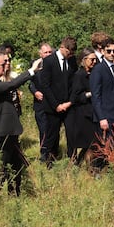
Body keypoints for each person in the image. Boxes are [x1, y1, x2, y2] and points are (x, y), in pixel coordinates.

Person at [0, 49, 41, 195]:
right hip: (1, 134)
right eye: (3, 64)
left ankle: (15, 194)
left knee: (16, 166)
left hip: (9, 131)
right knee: (0, 168)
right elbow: (12, 85)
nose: (6, 65)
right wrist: (31, 71)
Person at [39, 36, 78, 166]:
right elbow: (45, 85)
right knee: (52, 135)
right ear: (62, 47)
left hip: (68, 105)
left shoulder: (72, 61)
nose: (70, 55)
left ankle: (73, 160)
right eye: (68, 52)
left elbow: (74, 83)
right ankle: (50, 160)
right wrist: (56, 105)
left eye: (72, 53)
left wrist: (70, 102)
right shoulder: (49, 61)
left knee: (72, 133)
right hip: (53, 106)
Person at [90, 40, 114, 171]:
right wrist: (101, 117)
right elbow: (96, 95)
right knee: (101, 145)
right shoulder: (98, 70)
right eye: (109, 51)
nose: (112, 54)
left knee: (113, 145)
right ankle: (96, 169)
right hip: (105, 115)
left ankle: (106, 169)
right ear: (102, 52)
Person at [68, 48, 97, 165]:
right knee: (86, 142)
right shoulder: (79, 75)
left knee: (92, 142)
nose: (94, 62)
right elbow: (75, 97)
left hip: (93, 112)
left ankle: (86, 164)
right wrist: (90, 94)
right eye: (92, 59)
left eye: (96, 59)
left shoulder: (95, 73)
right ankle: (84, 165)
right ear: (84, 60)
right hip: (83, 113)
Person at [28, 42, 53, 161]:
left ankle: (53, 152)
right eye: (45, 52)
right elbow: (30, 83)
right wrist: (35, 92)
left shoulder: (55, 65)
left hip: (52, 103)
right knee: (43, 129)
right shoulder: (35, 65)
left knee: (52, 128)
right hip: (40, 103)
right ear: (40, 54)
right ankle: (44, 153)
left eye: (50, 52)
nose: (48, 54)